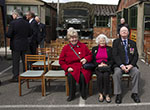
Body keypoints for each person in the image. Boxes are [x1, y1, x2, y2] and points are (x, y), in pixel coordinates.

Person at [59, 27, 92, 101]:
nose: (74, 39)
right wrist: (67, 68)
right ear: (69, 39)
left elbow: (90, 55)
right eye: (71, 38)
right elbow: (61, 61)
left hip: (82, 66)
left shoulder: (83, 46)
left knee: (83, 76)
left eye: (75, 37)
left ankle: (83, 93)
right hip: (71, 67)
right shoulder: (65, 48)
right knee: (70, 76)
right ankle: (72, 94)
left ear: (78, 37)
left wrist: (86, 59)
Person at [112, 26, 141, 104]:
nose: (124, 32)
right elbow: (115, 55)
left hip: (130, 65)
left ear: (128, 33)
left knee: (136, 72)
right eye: (122, 31)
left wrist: (131, 65)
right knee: (116, 74)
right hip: (119, 65)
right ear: (119, 33)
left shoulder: (132, 43)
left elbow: (136, 55)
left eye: (126, 31)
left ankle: (134, 93)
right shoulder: (116, 42)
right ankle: (118, 94)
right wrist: (121, 65)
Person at [6, 9, 31, 82]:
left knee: (16, 61)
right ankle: (26, 75)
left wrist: (6, 34)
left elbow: (9, 34)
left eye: (13, 14)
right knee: (25, 61)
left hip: (16, 44)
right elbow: (30, 33)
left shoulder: (13, 23)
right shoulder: (27, 23)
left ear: (16, 15)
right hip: (25, 44)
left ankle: (16, 76)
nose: (12, 16)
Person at [92, 34, 113, 103]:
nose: (102, 42)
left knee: (106, 76)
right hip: (98, 67)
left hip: (106, 67)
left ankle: (107, 94)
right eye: (100, 41)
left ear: (106, 41)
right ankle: (101, 93)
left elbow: (112, 59)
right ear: (98, 41)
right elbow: (92, 59)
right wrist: (98, 65)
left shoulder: (109, 49)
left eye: (103, 40)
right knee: (100, 76)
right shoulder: (94, 49)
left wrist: (106, 64)